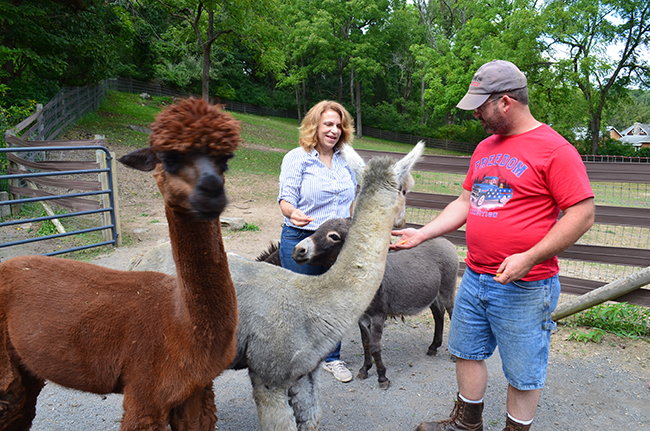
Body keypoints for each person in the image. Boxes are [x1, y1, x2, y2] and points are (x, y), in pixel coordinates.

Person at [391, 60, 595, 431]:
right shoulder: (486, 147)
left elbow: (582, 214)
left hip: (526, 285)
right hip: (475, 276)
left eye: (480, 107)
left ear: (505, 102)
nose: (476, 116)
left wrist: (530, 258)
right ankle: (467, 424)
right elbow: (465, 202)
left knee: (522, 371)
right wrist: (423, 233)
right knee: (466, 352)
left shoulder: (555, 149)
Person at [277, 100, 357, 383]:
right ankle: (295, 357)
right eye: (328, 124)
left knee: (334, 300)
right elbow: (285, 198)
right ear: (315, 126)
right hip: (303, 238)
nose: (334, 130)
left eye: (339, 125)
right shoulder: (297, 158)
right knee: (300, 301)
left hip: (336, 245)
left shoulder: (347, 161)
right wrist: (291, 211)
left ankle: (332, 358)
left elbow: (353, 202)